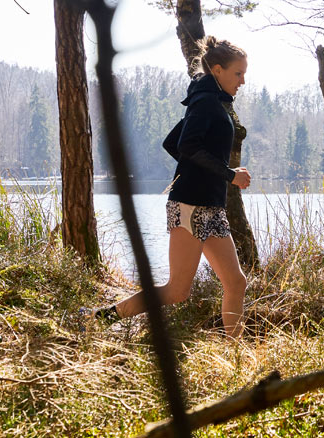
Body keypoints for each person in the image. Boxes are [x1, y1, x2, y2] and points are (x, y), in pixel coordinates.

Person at [86, 36, 253, 337]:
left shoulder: (211, 101)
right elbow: (186, 145)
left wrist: (209, 173)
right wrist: (228, 174)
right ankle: (101, 317)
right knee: (177, 290)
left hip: (211, 206)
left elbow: (173, 143)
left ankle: (235, 353)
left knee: (236, 282)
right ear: (217, 70)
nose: (242, 80)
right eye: (238, 73)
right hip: (190, 204)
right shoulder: (205, 102)